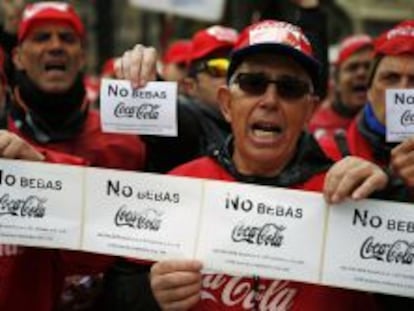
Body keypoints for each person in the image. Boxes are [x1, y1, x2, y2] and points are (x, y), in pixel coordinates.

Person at [116, 19, 390, 310]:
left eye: (290, 88)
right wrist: (148, 293)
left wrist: (393, 196)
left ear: (310, 109)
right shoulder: (181, 185)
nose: (270, 100)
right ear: (226, 104)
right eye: (253, 83)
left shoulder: (351, 195)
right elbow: (111, 293)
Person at [0, 2, 147, 310]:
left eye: (67, 38)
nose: (55, 46)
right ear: (17, 57)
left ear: (81, 56)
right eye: (41, 38)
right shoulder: (4, 140)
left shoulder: (125, 142)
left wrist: (154, 86)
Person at [318, 20, 414, 310]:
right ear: (370, 90)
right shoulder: (327, 151)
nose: (403, 92)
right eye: (390, 78)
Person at [141, 25, 237, 173]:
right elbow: (171, 113)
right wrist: (147, 79)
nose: (230, 79)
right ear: (190, 86)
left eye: (236, 69)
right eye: (219, 68)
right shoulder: (187, 121)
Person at [309, 34, 374, 139]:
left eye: (368, 66)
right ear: (336, 81)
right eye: (352, 68)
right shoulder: (315, 129)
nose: (361, 73)